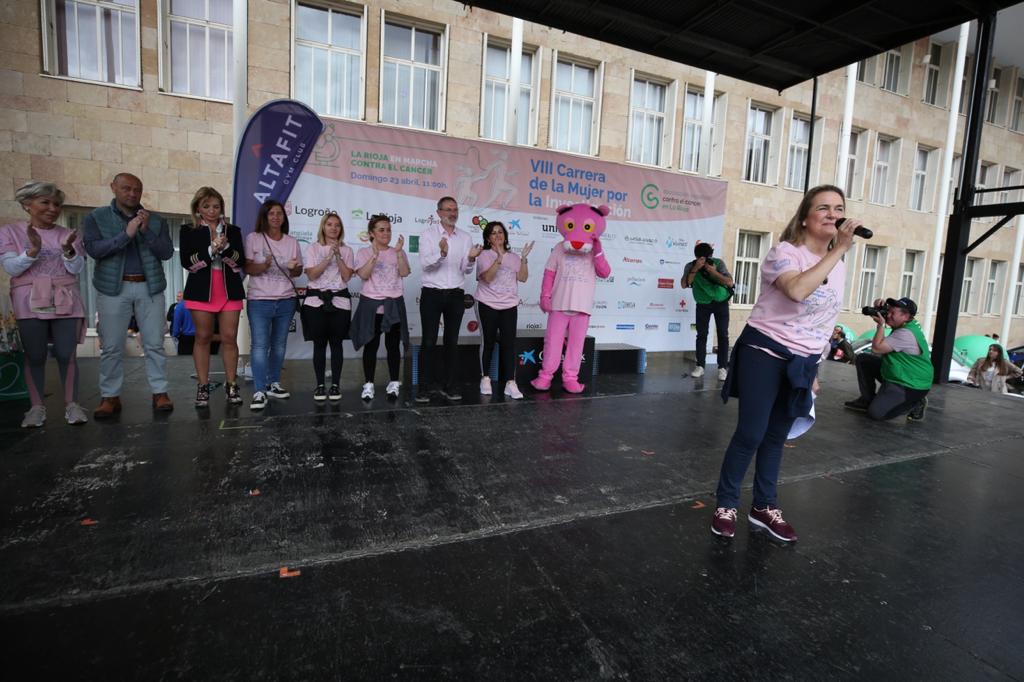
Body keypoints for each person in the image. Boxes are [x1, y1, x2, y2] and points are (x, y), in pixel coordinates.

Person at [712, 185, 859, 542]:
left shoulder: (836, 266)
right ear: (805, 217)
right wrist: (838, 248)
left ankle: (764, 506)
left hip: (802, 360)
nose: (832, 214)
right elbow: (796, 291)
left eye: (838, 208)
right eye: (823, 208)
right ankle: (726, 503)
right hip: (765, 351)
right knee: (751, 433)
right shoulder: (785, 253)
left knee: (776, 437)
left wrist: (814, 370)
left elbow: (824, 322)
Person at [83, 172, 175, 417]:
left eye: (137, 189)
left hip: (149, 286)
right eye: (126, 188)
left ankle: (160, 392)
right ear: (113, 188)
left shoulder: (155, 220)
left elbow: (166, 252)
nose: (132, 194)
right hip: (114, 288)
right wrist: (127, 234)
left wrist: (145, 231)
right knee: (112, 345)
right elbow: (94, 250)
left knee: (155, 343)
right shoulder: (97, 217)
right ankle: (110, 396)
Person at [0, 181, 88, 427]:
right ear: (27, 205)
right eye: (45, 202)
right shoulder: (10, 232)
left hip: (65, 298)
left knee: (66, 354)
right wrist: (33, 250)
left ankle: (72, 405)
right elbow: (10, 268)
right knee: (35, 355)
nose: (52, 208)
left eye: (57, 204)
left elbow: (77, 268)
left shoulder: (67, 235)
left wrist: (69, 252)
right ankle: (36, 408)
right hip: (28, 300)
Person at [180, 187, 246, 408]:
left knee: (229, 337)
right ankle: (202, 385)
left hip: (229, 290)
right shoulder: (188, 230)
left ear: (221, 208)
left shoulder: (233, 231)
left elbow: (240, 261)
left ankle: (232, 384)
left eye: (216, 206)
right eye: (206, 206)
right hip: (201, 290)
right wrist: (210, 250)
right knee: (203, 336)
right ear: (198, 208)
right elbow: (187, 262)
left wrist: (225, 248)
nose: (211, 210)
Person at [415, 196, 483, 403]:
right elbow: (426, 265)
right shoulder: (428, 235)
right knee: (428, 341)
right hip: (432, 293)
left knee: (451, 342)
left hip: (455, 295)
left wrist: (471, 259)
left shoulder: (465, 237)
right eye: (448, 210)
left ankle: (449, 384)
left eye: (455, 210)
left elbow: (466, 269)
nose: (452, 213)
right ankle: (424, 386)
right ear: (438, 213)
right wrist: (441, 253)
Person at [244, 200, 302, 411]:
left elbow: (298, 271)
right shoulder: (254, 238)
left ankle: (273, 383)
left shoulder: (292, 241)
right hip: (259, 300)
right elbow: (248, 267)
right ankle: (259, 390)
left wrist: (294, 268)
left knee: (279, 344)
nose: (276, 217)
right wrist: (265, 264)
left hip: (286, 299)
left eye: (279, 213)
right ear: (265, 216)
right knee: (260, 346)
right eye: (271, 213)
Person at [350, 215, 410, 400]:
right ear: (372, 233)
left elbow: (405, 272)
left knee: (393, 346)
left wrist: (399, 252)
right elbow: (364, 275)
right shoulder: (363, 252)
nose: (386, 233)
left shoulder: (397, 251)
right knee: (371, 345)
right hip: (372, 305)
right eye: (381, 230)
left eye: (388, 229)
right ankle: (368, 384)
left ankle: (393, 383)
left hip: (394, 304)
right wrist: (374, 256)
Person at [844, 297, 932, 422]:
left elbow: (876, 348)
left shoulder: (905, 333)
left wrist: (880, 325)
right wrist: (878, 308)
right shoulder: (907, 322)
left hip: (910, 383)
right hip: (898, 372)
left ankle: (915, 402)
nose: (888, 315)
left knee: (876, 413)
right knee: (863, 360)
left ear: (906, 316)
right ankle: (866, 400)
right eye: (888, 311)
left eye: (892, 313)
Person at [475, 221, 533, 400]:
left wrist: (523, 259)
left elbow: (522, 278)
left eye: (500, 232)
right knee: (488, 342)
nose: (498, 235)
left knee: (509, 344)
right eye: (493, 233)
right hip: (487, 303)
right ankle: (485, 378)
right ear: (488, 238)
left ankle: (510, 382)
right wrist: (498, 259)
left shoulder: (514, 257)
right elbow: (487, 278)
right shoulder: (483, 255)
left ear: (505, 236)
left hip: (509, 305)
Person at [302, 212, 355, 401]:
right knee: (319, 344)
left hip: (340, 302)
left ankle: (335, 385)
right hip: (316, 302)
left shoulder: (347, 250)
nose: (333, 228)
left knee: (337, 344)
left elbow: (347, 277)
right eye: (330, 224)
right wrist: (328, 257)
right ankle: (319, 385)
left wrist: (338, 256)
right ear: (323, 227)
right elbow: (312, 275)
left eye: (337, 225)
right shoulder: (312, 248)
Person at [681, 242, 734, 381]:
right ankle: (700, 366)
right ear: (696, 257)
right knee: (702, 335)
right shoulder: (690, 265)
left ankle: (722, 368)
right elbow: (684, 284)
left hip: (720, 302)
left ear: (711, 255)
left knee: (723, 334)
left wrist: (713, 271)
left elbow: (729, 282)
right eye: (700, 258)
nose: (704, 260)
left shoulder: (718, 263)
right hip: (703, 304)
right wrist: (696, 268)